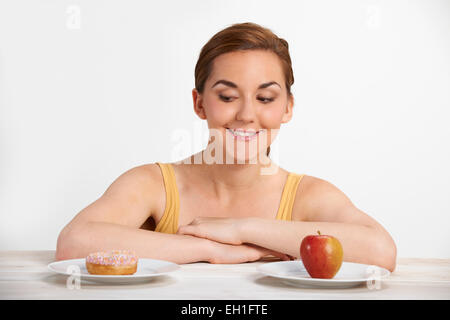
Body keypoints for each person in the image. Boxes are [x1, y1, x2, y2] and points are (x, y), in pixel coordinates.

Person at [56, 22, 397, 272]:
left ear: (288, 107)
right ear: (200, 103)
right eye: (227, 96)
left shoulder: (308, 196)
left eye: (265, 98)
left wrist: (241, 229)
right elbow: (74, 242)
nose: (247, 114)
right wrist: (207, 249)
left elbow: (380, 249)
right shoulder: (154, 184)